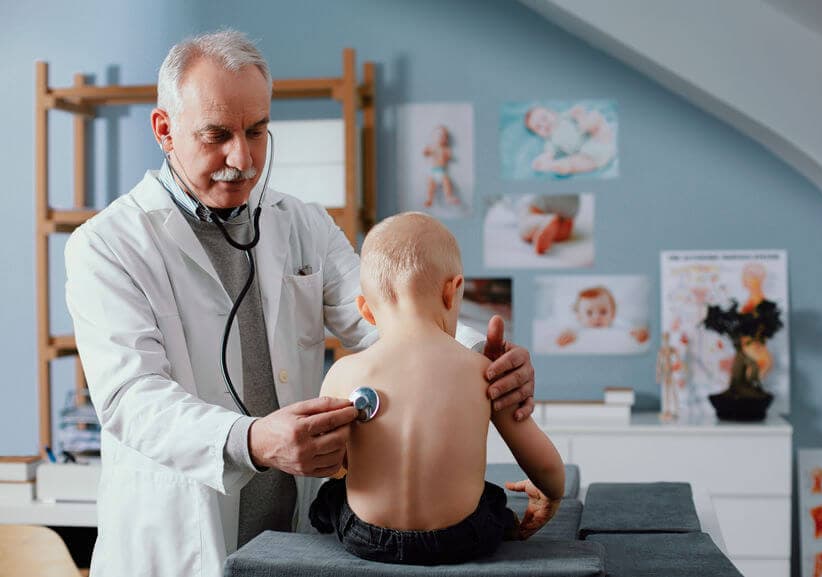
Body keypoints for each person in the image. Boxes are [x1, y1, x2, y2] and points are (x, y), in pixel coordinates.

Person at [64, 30, 537, 577]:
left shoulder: (304, 224)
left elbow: (396, 317)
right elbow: (130, 397)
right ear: (164, 130)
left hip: (295, 542)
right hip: (180, 545)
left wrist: (486, 359)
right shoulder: (108, 244)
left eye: (257, 131)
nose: (241, 158)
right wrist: (253, 440)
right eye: (217, 135)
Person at [309, 213, 565, 564]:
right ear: (452, 290)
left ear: (366, 310)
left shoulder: (344, 371)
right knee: (490, 501)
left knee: (331, 498)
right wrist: (550, 494)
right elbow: (544, 463)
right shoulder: (483, 372)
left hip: (366, 537)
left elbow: (332, 463)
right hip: (460, 538)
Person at [524, 104, 616, 176]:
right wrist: (542, 160)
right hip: (587, 155)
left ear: (553, 113)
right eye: (538, 127)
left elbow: (578, 110)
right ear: (539, 135)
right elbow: (548, 154)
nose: (544, 125)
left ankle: (585, 124)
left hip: (597, 138)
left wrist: (579, 115)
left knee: (595, 115)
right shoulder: (550, 142)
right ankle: (554, 166)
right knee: (571, 164)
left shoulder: (564, 117)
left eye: (544, 118)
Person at [556, 285, 649, 347]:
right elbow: (569, 329)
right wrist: (567, 335)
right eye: (589, 313)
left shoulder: (616, 324)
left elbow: (632, 329)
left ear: (612, 314)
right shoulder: (579, 327)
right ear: (579, 317)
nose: (597, 317)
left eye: (603, 312)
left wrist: (640, 331)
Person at [423, 125, 459, 207]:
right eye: (439, 136)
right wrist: (426, 151)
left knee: (446, 182)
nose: (441, 138)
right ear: (433, 138)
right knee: (430, 183)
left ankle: (448, 196)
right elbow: (426, 153)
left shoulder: (446, 149)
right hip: (434, 171)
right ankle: (429, 199)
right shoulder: (433, 148)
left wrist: (449, 155)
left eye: (444, 136)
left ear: (446, 139)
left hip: (442, 171)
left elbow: (449, 156)